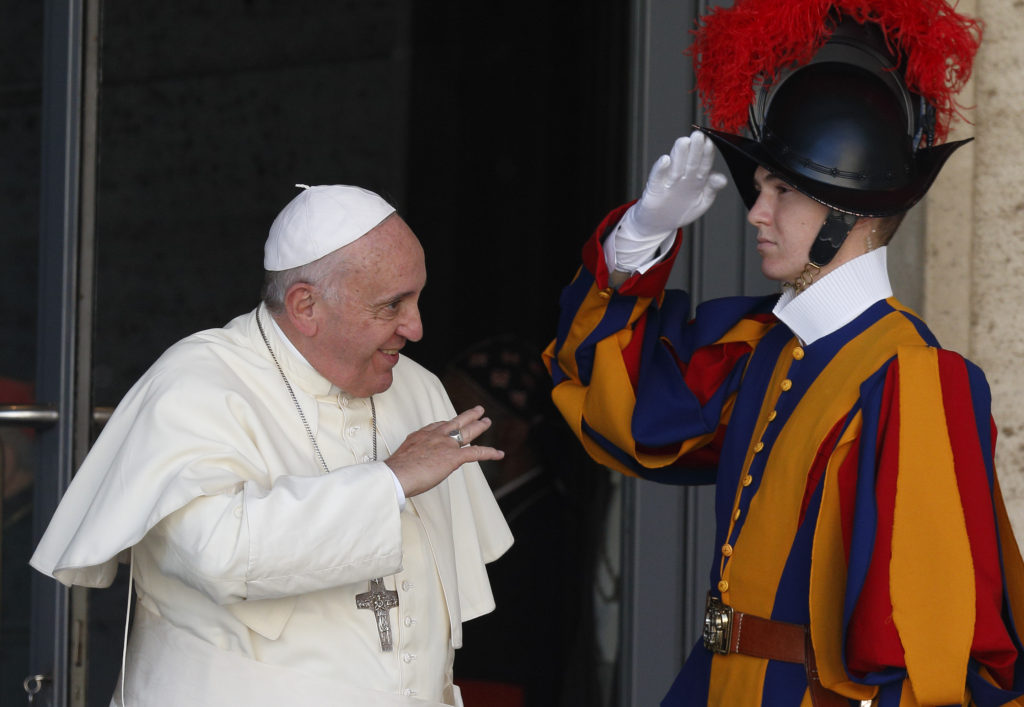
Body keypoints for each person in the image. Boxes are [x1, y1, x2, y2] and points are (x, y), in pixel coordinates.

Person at [544, 1, 1024, 705]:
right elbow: (627, 409)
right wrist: (640, 238)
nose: (755, 213)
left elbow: (932, 647)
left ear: (848, 212)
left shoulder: (914, 379)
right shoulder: (767, 350)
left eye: (783, 191)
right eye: (761, 188)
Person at [30, 184, 513, 707]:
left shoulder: (417, 388)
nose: (416, 327)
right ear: (305, 305)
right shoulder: (197, 382)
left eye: (417, 298)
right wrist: (390, 481)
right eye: (392, 305)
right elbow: (219, 554)